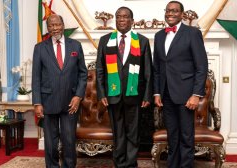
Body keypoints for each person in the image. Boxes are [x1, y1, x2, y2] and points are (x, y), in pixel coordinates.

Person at [153, 1, 208, 168]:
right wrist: (157, 92)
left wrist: (196, 94)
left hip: (186, 95)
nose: (170, 13)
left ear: (182, 14)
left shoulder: (192, 33)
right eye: (168, 11)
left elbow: (201, 67)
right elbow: (157, 67)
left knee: (186, 137)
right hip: (166, 95)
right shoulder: (159, 35)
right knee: (173, 136)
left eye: (175, 11)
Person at [96, 6, 153, 168]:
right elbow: (100, 69)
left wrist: (147, 95)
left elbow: (148, 71)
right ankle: (119, 163)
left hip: (134, 95)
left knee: (133, 133)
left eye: (125, 16)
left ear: (132, 21)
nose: (121, 19)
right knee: (118, 133)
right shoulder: (105, 40)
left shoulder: (142, 41)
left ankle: (131, 163)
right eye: (118, 17)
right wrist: (101, 94)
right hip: (113, 94)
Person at [32, 14, 87, 168]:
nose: (54, 28)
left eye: (57, 25)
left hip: (71, 102)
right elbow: (36, 77)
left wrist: (78, 96)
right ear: (47, 28)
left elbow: (83, 73)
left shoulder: (75, 46)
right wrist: (37, 102)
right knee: (50, 143)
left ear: (63, 25)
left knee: (69, 140)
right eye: (51, 25)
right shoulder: (40, 48)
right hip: (48, 101)